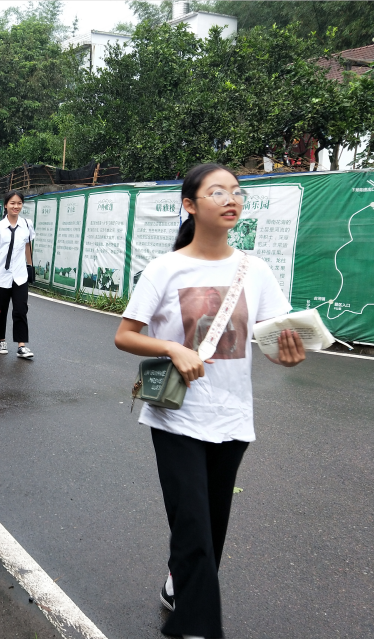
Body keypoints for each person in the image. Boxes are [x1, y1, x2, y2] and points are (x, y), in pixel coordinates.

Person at [113, 163, 306, 639]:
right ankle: (197, 627)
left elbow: (271, 341)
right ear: (190, 205)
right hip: (177, 416)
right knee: (194, 522)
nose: (230, 199)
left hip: (233, 417)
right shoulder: (165, 269)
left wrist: (287, 354)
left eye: (236, 192)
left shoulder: (256, 271)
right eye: (217, 192)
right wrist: (172, 348)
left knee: (212, 525)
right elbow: (125, 335)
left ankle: (178, 585)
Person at [0, 190, 35, 359]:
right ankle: (1, 340)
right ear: (6, 205)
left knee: (21, 310)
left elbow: (28, 246)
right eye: (12, 203)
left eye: (19, 203)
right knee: (1, 310)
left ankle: (21, 345)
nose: (16, 206)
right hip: (2, 276)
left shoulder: (27, 224)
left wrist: (30, 266)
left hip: (20, 275)